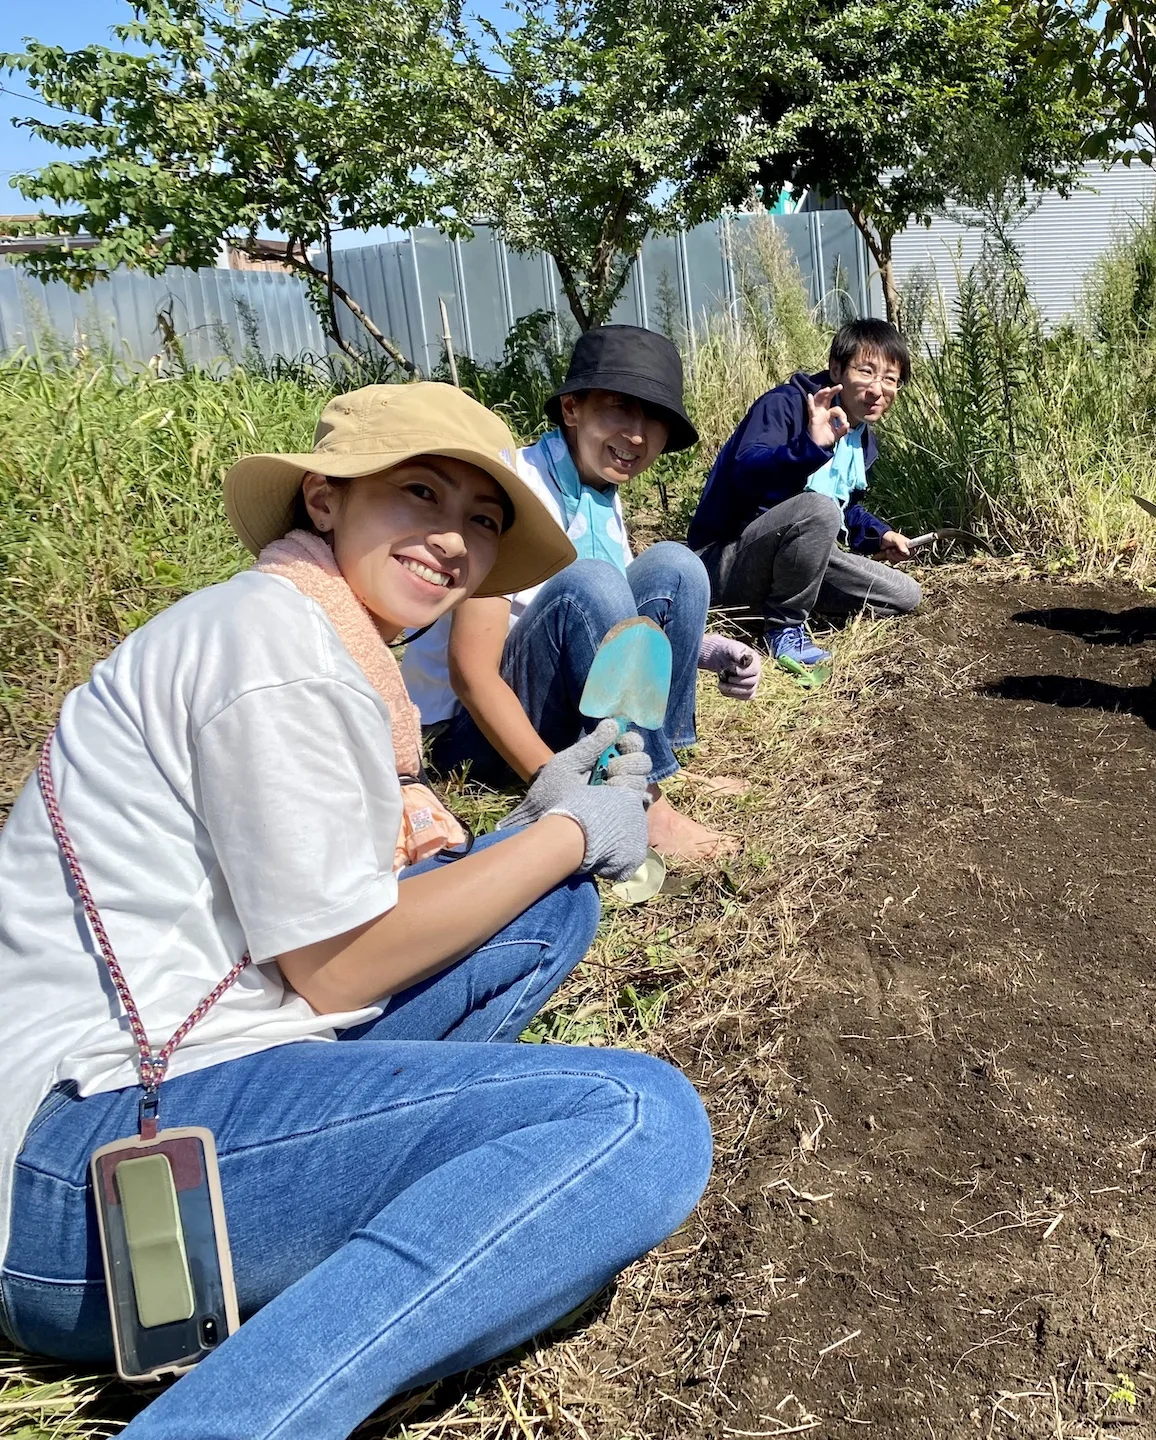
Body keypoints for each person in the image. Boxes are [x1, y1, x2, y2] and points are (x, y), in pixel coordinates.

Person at [0, 383, 712, 1437]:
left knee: (545, 910)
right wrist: (579, 830)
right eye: (418, 492)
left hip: (209, 1052)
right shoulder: (277, 656)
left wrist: (548, 821)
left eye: (481, 518)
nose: (453, 537)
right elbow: (335, 969)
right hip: (80, 1172)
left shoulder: (303, 631)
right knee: (640, 1122)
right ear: (326, 500)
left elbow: (328, 926)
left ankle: (371, 1221)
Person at [402, 326, 760, 861]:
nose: (638, 435)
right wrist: (558, 784)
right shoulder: (510, 488)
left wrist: (712, 651)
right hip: (471, 735)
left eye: (654, 419)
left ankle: (657, 764)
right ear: (571, 409)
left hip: (551, 703)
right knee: (589, 583)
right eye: (619, 407)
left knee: (676, 568)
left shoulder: (602, 498)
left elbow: (625, 627)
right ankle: (645, 801)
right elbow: (471, 674)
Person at [687, 319, 923, 678]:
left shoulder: (862, 438)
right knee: (817, 509)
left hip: (794, 558)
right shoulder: (785, 406)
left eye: (890, 379)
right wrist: (808, 447)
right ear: (836, 369)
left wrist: (879, 534)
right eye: (867, 372)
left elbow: (844, 507)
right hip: (724, 563)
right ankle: (784, 630)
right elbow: (745, 476)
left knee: (905, 594)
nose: (878, 389)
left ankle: (793, 599)